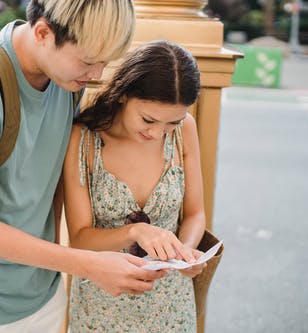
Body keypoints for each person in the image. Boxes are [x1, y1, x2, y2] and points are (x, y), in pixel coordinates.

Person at [0, 1, 190, 332]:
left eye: (104, 62)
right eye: (88, 61)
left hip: (42, 296)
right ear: (43, 32)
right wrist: (89, 265)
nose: (97, 75)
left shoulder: (66, 80)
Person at [62, 40, 207, 332]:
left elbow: (195, 214)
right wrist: (134, 231)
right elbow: (79, 239)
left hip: (171, 305)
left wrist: (186, 254)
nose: (157, 133)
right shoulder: (83, 139)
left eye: (171, 123)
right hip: (101, 305)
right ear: (124, 94)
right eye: (148, 119)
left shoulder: (184, 130)